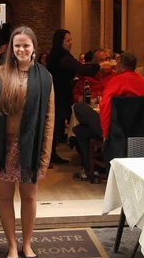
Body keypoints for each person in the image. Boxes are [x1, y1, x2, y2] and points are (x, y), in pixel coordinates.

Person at [0, 26, 54, 258]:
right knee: (5, 198)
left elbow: (49, 119)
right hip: (4, 146)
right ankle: (11, 245)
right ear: (11, 48)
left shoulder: (46, 77)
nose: (21, 49)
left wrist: (45, 156)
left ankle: (27, 244)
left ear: (34, 48)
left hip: (32, 148)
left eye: (26, 45)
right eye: (17, 45)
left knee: (29, 197)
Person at [72, 51, 144, 182]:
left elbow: (105, 107)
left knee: (78, 108)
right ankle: (91, 170)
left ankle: (91, 171)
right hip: (136, 130)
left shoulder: (117, 80)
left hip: (115, 130)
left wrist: (105, 134)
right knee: (80, 130)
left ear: (119, 64)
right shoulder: (143, 83)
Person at [47, 29, 112, 165]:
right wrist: (98, 67)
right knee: (53, 125)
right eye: (68, 40)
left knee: (56, 124)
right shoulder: (62, 57)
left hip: (60, 94)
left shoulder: (60, 55)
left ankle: (52, 154)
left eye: (71, 40)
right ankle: (50, 155)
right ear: (61, 41)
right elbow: (80, 68)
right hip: (57, 94)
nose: (71, 43)